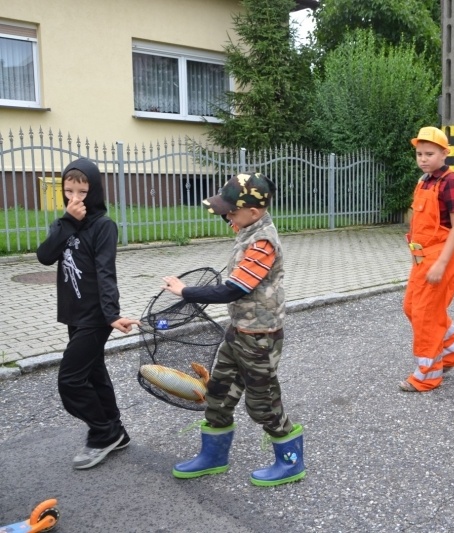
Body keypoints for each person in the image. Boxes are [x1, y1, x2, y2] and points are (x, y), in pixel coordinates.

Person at [160, 172, 305, 487]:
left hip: (261, 338)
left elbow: (233, 290)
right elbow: (231, 217)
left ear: (254, 212)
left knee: (263, 404)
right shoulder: (249, 225)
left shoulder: (263, 242)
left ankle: (291, 461)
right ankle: (213, 457)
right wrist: (227, 212)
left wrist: (186, 292)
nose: (227, 217)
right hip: (239, 330)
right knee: (219, 393)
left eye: (232, 212)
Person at [36, 158, 140, 470]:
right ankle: (116, 431)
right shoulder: (63, 222)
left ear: (93, 191)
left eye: (82, 192)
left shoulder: (103, 226)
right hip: (73, 314)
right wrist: (67, 221)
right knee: (93, 373)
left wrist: (111, 314)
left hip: (96, 316)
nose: (75, 198)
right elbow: (44, 256)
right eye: (69, 191)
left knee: (70, 380)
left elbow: (106, 272)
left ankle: (101, 433)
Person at [400, 126, 454, 392]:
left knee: (426, 315)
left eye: (429, 153)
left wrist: (441, 263)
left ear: (445, 153)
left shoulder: (450, 182)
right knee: (412, 308)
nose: (423, 159)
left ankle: (427, 376)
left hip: (442, 257)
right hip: (422, 259)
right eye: (419, 154)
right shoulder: (424, 181)